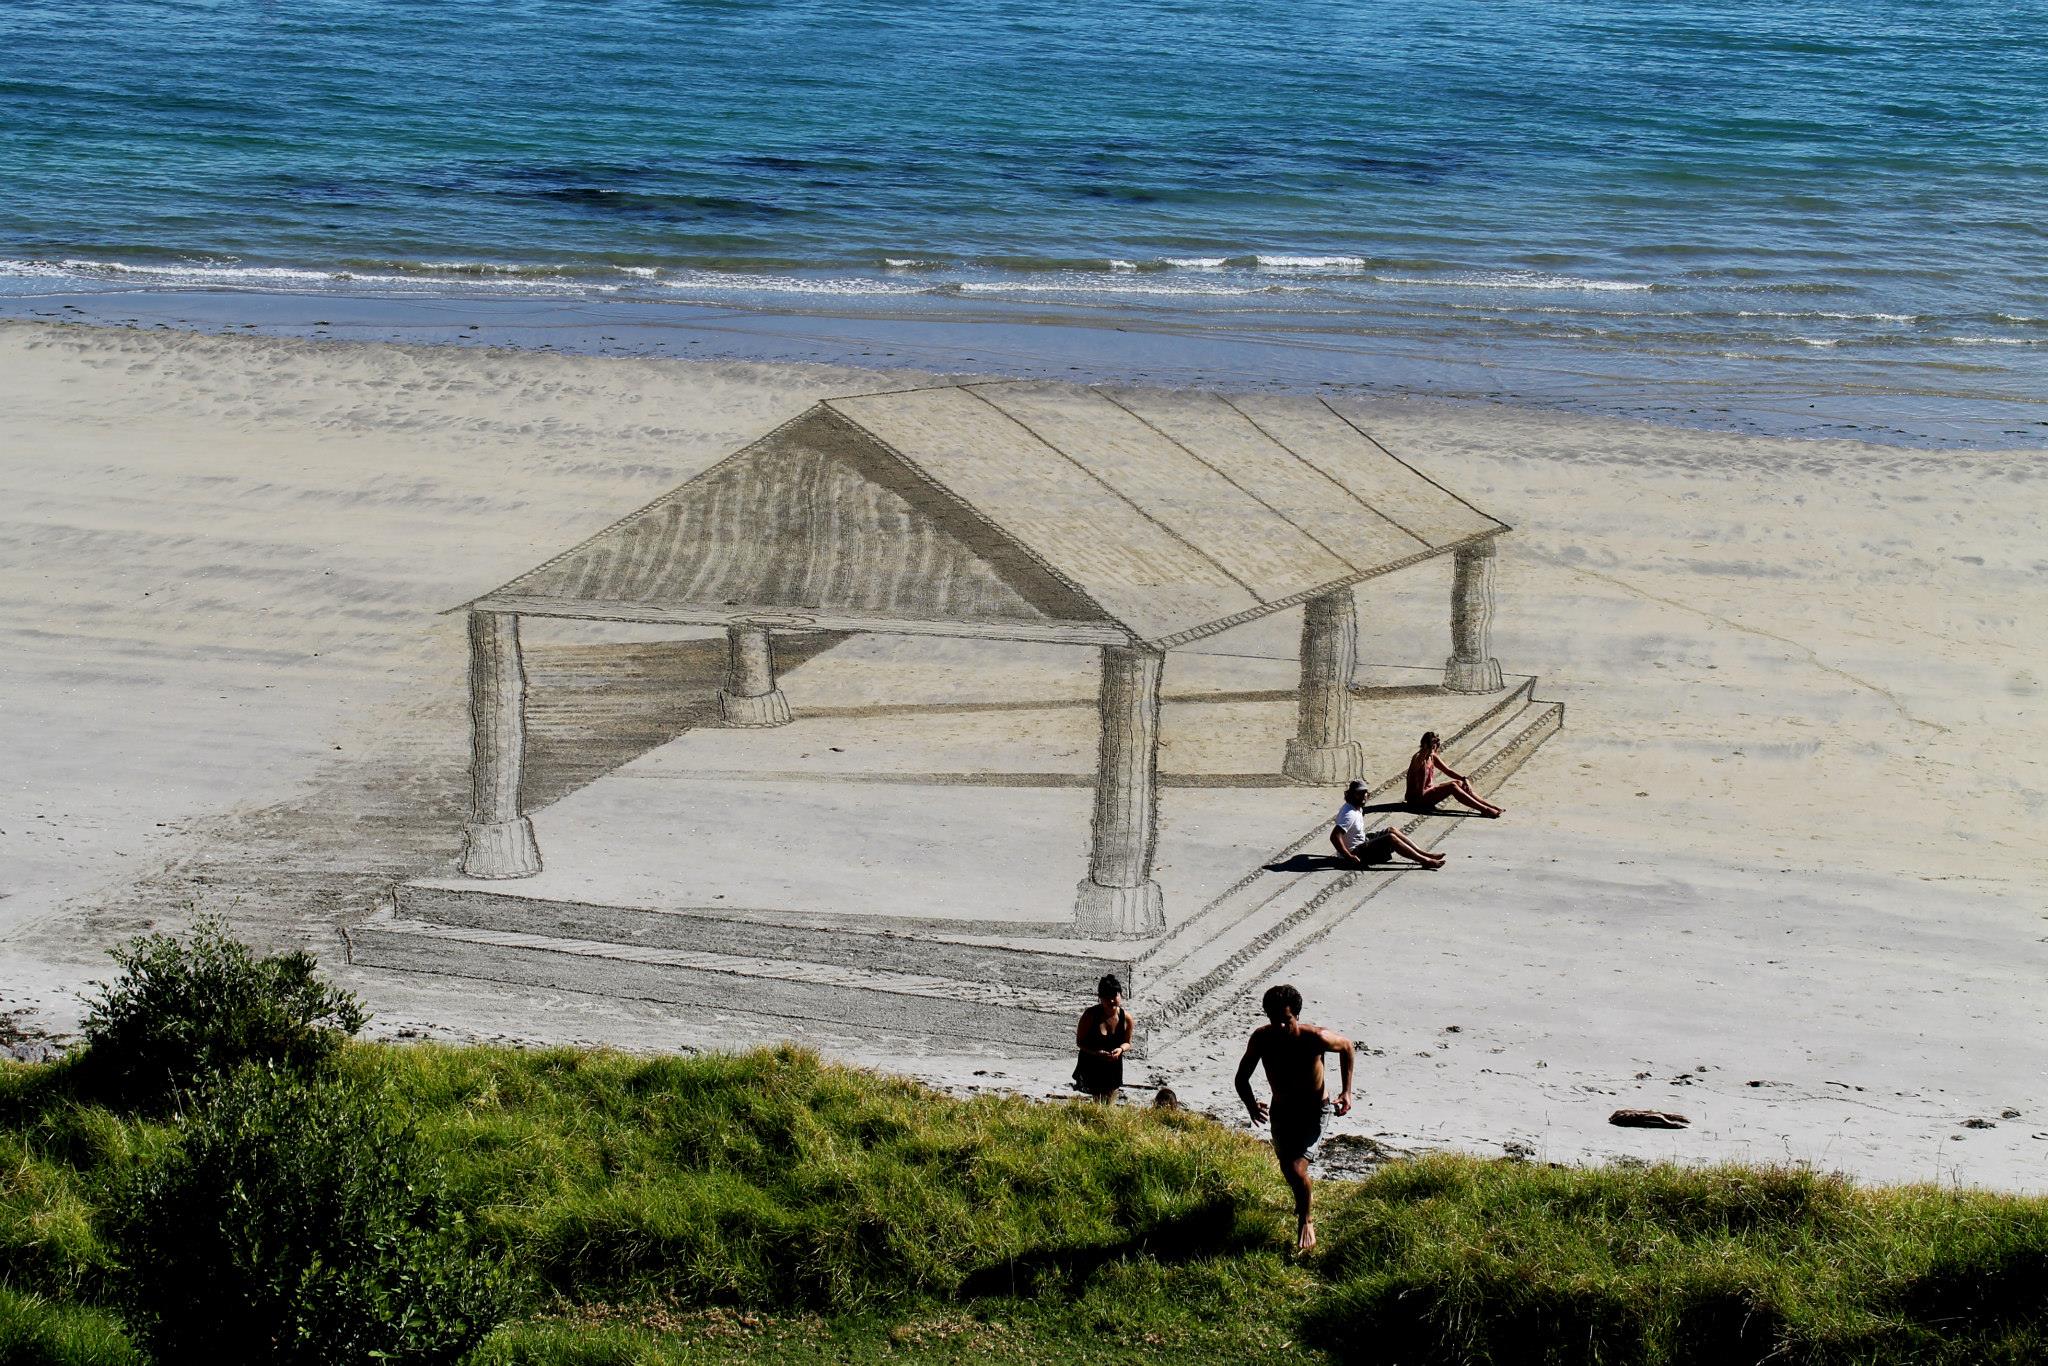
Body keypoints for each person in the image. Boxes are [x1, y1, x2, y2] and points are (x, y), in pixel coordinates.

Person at [1235, 983, 1354, 1253]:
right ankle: (1303, 1199)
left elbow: (1347, 1046)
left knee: (1296, 1169)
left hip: (1315, 1111)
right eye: (1274, 1020)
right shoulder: (1262, 1039)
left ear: (1296, 1016)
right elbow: (1241, 1078)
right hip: (1282, 1111)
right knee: (1287, 1168)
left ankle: (1306, 1220)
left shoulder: (1315, 1038)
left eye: (1286, 1021)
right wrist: (1251, 1106)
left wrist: (1347, 1092)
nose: (1280, 1027)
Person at [1331, 779, 1444, 869]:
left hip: (1362, 842)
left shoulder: (1356, 807)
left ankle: (1424, 854)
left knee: (1392, 830)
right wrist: (1348, 856)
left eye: (1365, 793)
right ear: (1352, 794)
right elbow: (1335, 836)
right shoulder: (1349, 814)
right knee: (1390, 838)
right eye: (1359, 793)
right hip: (1357, 852)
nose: (1364, 796)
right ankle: (1425, 861)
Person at [1405, 730, 1504, 817]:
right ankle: (1484, 810)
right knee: (1452, 786)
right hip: (1417, 800)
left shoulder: (1432, 756)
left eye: (1435, 746)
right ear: (1425, 745)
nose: (1434, 749)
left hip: (1428, 794)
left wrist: (1464, 779)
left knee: (1459, 783)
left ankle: (1489, 806)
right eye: (1432, 746)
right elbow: (1420, 759)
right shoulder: (1418, 758)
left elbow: (1448, 771)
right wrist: (1428, 747)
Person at [1073, 973, 1133, 1100]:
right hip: (1091, 1065)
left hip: (1113, 1067)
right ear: (1100, 998)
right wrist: (1096, 1052)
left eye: (1114, 996)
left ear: (1120, 995)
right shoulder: (1090, 1015)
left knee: (1110, 1101)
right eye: (1107, 997)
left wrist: (1121, 1049)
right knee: (1096, 1102)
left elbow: (1127, 1043)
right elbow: (1080, 1042)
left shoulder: (1126, 1018)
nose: (1111, 1001)